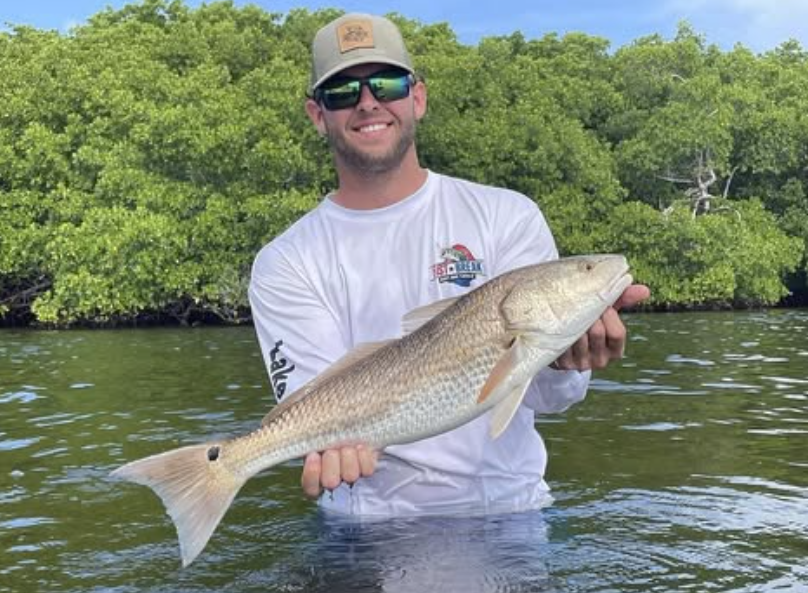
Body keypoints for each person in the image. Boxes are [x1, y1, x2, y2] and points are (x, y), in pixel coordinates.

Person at [249, 13, 649, 516]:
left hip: (511, 517)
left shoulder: (507, 215)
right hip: (365, 529)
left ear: (417, 96)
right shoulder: (284, 261)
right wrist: (322, 449)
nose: (368, 102)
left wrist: (572, 362)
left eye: (387, 83)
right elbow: (315, 402)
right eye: (342, 92)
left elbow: (551, 398)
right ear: (316, 113)